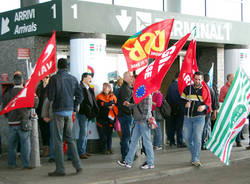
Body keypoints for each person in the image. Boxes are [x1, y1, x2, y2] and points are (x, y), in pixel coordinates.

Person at [47, 58, 83, 176]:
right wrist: (74, 107)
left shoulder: (54, 79)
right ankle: (78, 165)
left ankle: (60, 169)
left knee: (58, 140)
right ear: (66, 67)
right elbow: (80, 96)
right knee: (70, 139)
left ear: (58, 67)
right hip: (69, 112)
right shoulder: (73, 79)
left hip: (58, 112)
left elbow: (51, 97)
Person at [2, 73, 38, 169]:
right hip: (24, 122)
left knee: (12, 145)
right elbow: (34, 105)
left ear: (13, 82)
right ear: (22, 81)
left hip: (12, 123)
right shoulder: (25, 92)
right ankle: (25, 164)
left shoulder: (7, 93)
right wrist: (35, 96)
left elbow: (4, 108)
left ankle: (11, 164)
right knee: (25, 144)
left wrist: (9, 116)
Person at [117, 95, 154, 169]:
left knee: (146, 142)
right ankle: (128, 162)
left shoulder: (147, 95)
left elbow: (147, 109)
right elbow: (137, 106)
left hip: (143, 122)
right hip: (138, 121)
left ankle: (150, 163)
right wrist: (129, 105)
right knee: (133, 141)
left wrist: (142, 120)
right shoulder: (142, 93)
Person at [181, 71, 208, 167]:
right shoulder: (187, 89)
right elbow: (180, 101)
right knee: (187, 138)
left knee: (197, 138)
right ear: (193, 79)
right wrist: (185, 104)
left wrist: (204, 107)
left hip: (199, 118)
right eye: (195, 79)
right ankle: (194, 155)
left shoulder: (206, 90)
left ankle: (196, 158)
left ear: (202, 80)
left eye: (199, 79)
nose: (197, 81)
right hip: (187, 117)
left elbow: (210, 104)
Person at [77, 72, 99, 159]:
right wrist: (87, 111)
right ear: (84, 78)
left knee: (85, 134)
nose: (91, 79)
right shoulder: (80, 87)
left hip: (89, 114)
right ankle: (80, 152)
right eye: (89, 77)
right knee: (83, 133)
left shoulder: (89, 88)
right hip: (83, 113)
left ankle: (84, 150)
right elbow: (81, 102)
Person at [219, 73, 242, 147]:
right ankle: (228, 141)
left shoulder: (236, 87)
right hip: (228, 110)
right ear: (229, 79)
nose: (234, 79)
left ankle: (238, 141)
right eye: (233, 78)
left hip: (236, 109)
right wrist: (228, 100)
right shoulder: (224, 88)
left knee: (237, 124)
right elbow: (220, 99)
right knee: (229, 126)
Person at [116, 71, 135, 163]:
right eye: (130, 76)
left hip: (125, 115)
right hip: (125, 116)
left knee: (127, 136)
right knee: (126, 137)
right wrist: (131, 111)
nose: (132, 78)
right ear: (125, 78)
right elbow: (125, 104)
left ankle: (129, 155)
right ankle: (126, 156)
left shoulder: (127, 88)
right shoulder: (125, 89)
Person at [96, 83, 118, 154]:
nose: (105, 89)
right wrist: (108, 105)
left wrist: (106, 105)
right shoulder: (99, 96)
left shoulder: (113, 97)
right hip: (101, 119)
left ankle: (109, 148)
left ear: (110, 89)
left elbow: (115, 105)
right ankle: (104, 149)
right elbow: (99, 105)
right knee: (103, 136)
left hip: (110, 119)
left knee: (109, 135)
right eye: (104, 87)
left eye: (107, 87)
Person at [166, 72, 185, 148]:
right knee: (179, 126)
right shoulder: (180, 86)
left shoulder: (170, 86)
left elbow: (168, 98)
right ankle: (179, 142)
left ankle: (171, 141)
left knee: (172, 126)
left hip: (171, 109)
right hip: (180, 109)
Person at [201, 74, 219, 150]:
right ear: (208, 80)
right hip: (208, 111)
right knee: (206, 126)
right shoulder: (211, 89)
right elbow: (215, 102)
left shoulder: (200, 88)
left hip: (201, 111)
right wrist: (214, 112)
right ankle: (206, 142)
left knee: (202, 127)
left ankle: (203, 142)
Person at [36, 75, 50, 157]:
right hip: (40, 113)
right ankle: (46, 149)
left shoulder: (51, 87)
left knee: (49, 132)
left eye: (47, 77)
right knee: (43, 132)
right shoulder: (39, 87)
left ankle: (50, 150)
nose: (45, 79)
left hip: (48, 114)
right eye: (44, 77)